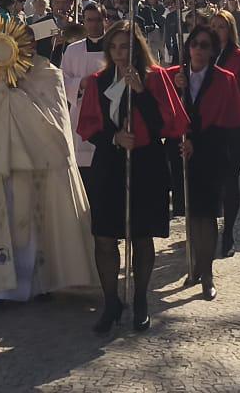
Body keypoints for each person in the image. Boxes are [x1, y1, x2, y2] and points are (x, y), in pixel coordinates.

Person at [0, 21, 96, 306]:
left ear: (35, 45)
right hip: (1, 166)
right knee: (1, 223)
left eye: (27, 41)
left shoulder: (49, 75)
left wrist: (17, 94)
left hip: (37, 166)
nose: (22, 47)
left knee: (32, 230)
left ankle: (36, 285)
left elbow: (56, 125)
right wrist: (3, 92)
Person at [76, 22, 185, 333]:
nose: (119, 53)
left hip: (146, 163)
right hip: (110, 164)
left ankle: (140, 299)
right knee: (105, 237)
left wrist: (141, 93)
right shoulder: (98, 82)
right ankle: (111, 301)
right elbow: (88, 126)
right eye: (114, 48)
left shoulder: (155, 78)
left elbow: (166, 124)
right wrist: (113, 139)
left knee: (141, 235)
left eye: (125, 47)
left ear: (136, 48)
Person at [174, 24, 240, 300]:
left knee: (207, 215)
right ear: (188, 47)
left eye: (205, 45)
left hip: (211, 153)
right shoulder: (176, 76)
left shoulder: (224, 79)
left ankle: (207, 272)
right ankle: (194, 262)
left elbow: (233, 123)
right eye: (195, 44)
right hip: (181, 152)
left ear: (213, 50)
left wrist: (200, 143)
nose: (199, 50)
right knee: (191, 214)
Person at [204, 10, 240, 257]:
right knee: (210, 180)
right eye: (213, 26)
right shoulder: (201, 53)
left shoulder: (239, 56)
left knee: (230, 179)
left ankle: (229, 233)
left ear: (230, 30)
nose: (216, 30)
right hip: (207, 125)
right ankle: (208, 231)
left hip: (233, 124)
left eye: (221, 26)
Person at [57, 3, 109, 175]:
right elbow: (62, 81)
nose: (93, 24)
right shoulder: (73, 50)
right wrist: (80, 84)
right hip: (80, 111)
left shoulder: (114, 48)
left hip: (109, 111)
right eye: (89, 20)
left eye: (97, 20)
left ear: (105, 21)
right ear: (84, 22)